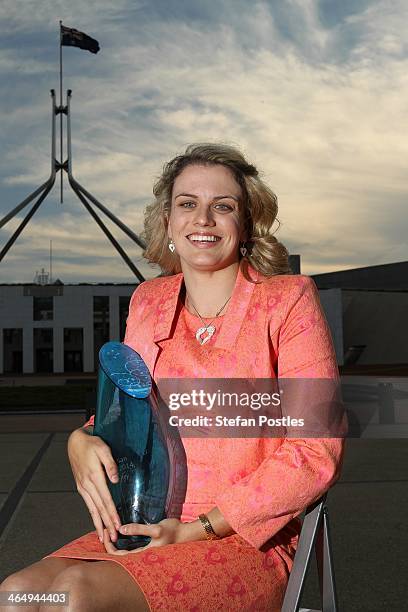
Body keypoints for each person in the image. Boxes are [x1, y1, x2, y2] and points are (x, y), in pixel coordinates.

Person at [0, 144, 345, 611]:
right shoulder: (149, 300)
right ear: (167, 221)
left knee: (73, 596)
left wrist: (197, 528)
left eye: (222, 206)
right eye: (187, 204)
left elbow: (315, 450)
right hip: (148, 524)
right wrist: (80, 439)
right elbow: (127, 411)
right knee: (19, 593)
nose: (203, 219)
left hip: (243, 538)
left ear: (246, 224)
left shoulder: (288, 300)